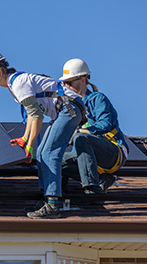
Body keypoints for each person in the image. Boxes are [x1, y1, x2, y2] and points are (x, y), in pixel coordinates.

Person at [0, 50, 86, 219]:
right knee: (42, 153)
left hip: (68, 108)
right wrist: (25, 139)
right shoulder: (14, 85)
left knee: (50, 153)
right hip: (65, 109)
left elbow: (37, 116)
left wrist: (29, 144)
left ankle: (52, 205)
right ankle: (46, 200)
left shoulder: (18, 83)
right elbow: (31, 116)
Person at [61, 58, 128, 194]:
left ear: (83, 80)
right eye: (64, 83)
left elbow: (106, 124)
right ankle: (101, 179)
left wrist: (82, 131)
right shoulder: (70, 107)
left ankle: (93, 190)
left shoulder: (97, 99)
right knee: (53, 160)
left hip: (113, 152)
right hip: (88, 158)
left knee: (80, 137)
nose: (66, 86)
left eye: (69, 82)